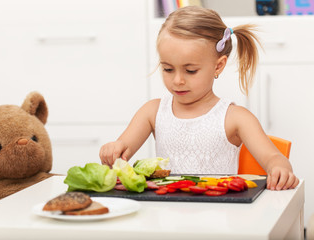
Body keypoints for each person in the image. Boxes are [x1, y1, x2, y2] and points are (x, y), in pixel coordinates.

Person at [99, 6, 299, 190]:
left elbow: (273, 158)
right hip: (168, 213)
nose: (177, 80)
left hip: (220, 215)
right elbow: (121, 151)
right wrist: (113, 150)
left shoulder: (235, 118)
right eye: (168, 69)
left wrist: (279, 168)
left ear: (218, 65)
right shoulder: (152, 112)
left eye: (191, 70)